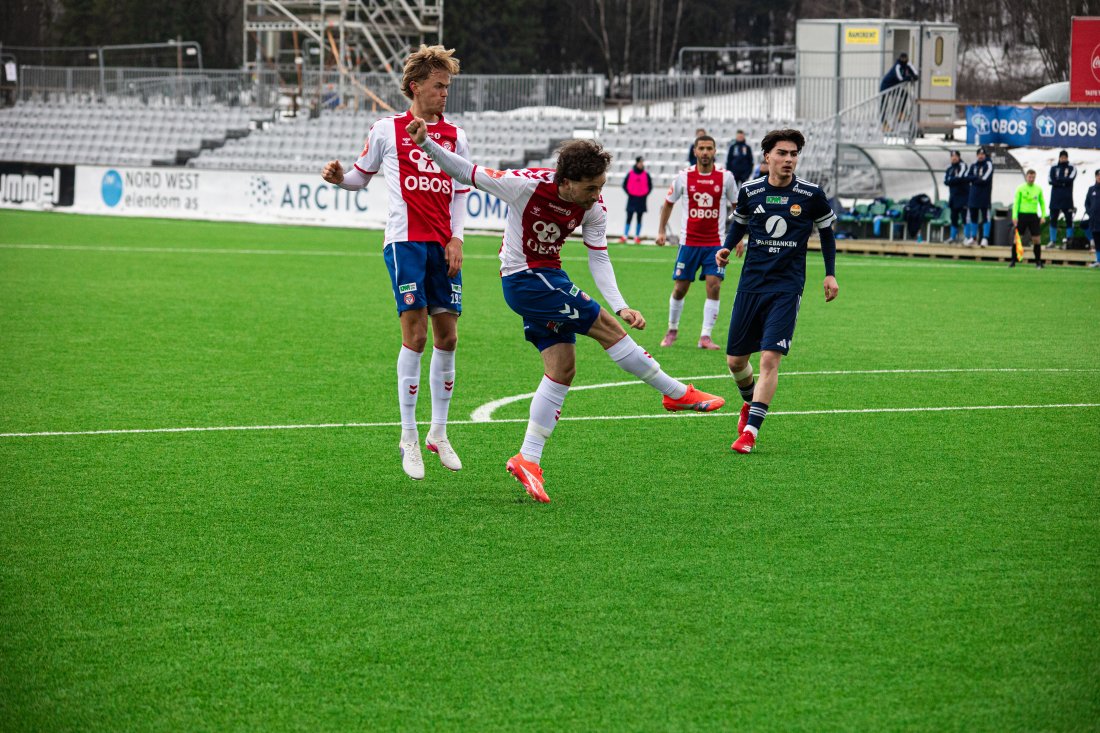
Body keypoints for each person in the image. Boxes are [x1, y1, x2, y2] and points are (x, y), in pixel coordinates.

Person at [406, 122, 726, 503]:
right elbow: (466, 171)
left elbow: (600, 257)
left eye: (601, 186)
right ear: (567, 181)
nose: (597, 195)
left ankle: (528, 458)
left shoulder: (594, 207)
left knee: (562, 368)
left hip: (550, 278)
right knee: (603, 327)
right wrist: (425, 142)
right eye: (590, 187)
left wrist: (621, 304)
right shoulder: (525, 185)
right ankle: (675, 393)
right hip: (524, 279)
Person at [320, 45, 470, 481]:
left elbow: (461, 189)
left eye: (448, 86)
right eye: (439, 86)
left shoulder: (456, 136)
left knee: (449, 337)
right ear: (415, 86)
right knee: (417, 335)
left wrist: (457, 236)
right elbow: (359, 178)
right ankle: (408, 434)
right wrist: (337, 178)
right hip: (405, 244)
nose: (445, 93)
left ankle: (438, 433)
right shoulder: (387, 129)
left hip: (444, 245)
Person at [716, 128, 839, 454]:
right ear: (767, 156)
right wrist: (727, 248)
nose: (788, 159)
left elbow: (827, 232)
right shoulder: (751, 190)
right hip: (751, 285)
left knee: (770, 358)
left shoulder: (811, 194)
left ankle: (750, 433)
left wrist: (830, 274)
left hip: (787, 288)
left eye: (793, 154)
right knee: (735, 361)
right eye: (782, 153)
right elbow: (739, 223)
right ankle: (749, 402)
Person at [655, 135, 738, 350]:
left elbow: (737, 207)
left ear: (715, 151)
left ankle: (705, 337)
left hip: (715, 243)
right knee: (681, 288)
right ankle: (672, 329)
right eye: (701, 148)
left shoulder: (726, 177)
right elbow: (668, 203)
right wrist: (661, 230)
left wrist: (738, 237)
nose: (705, 152)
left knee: (715, 286)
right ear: (695, 151)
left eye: (709, 148)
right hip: (689, 242)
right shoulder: (683, 177)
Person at [1011, 169, 1047, 269]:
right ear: (1026, 177)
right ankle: (1013, 261)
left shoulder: (1038, 189)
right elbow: (1016, 203)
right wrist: (1014, 216)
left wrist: (1043, 215)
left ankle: (1038, 262)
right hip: (1022, 215)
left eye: (1033, 177)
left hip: (1033, 216)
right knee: (1017, 238)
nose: (1031, 179)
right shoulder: (1020, 188)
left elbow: (1042, 203)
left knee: (1037, 239)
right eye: (1030, 177)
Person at [1048, 150, 1078, 248]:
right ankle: (1052, 241)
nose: (1063, 159)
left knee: (1069, 220)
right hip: (1055, 199)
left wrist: (1058, 181)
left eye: (1065, 157)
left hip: (1067, 199)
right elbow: (1050, 180)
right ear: (1059, 157)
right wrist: (1063, 183)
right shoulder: (1053, 167)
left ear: (1067, 158)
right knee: (1053, 219)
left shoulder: (1072, 167)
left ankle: (1069, 241)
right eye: (1062, 157)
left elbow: (1070, 179)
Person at [965, 147, 994, 246]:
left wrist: (974, 179)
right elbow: (967, 177)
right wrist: (976, 178)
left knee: (986, 216)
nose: (981, 156)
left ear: (985, 156)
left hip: (984, 195)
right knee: (973, 216)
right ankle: (973, 237)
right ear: (977, 155)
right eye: (979, 154)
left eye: (982, 154)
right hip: (973, 195)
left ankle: (985, 238)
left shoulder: (988, 165)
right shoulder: (973, 165)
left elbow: (985, 179)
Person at [620, 156, 652, 244]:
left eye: (642, 163)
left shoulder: (646, 174)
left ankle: (637, 237)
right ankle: (625, 236)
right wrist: (630, 193)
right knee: (629, 217)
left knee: (639, 218)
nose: (641, 164)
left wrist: (644, 194)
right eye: (640, 162)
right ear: (637, 163)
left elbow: (650, 186)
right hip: (632, 199)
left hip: (641, 199)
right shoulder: (630, 173)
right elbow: (624, 185)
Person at [943, 150, 970, 243]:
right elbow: (946, 181)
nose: (954, 158)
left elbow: (959, 178)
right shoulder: (949, 168)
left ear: (959, 157)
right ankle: (952, 237)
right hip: (953, 197)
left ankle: (967, 237)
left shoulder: (963, 165)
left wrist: (952, 180)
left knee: (964, 218)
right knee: (953, 217)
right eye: (952, 156)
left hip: (963, 197)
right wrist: (953, 180)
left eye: (955, 156)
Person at [1083, 169, 1100, 268]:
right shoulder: (1091, 189)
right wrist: (1090, 212)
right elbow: (1087, 203)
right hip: (1094, 220)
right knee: (1097, 241)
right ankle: (1098, 260)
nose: (1099, 177)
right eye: (1098, 175)